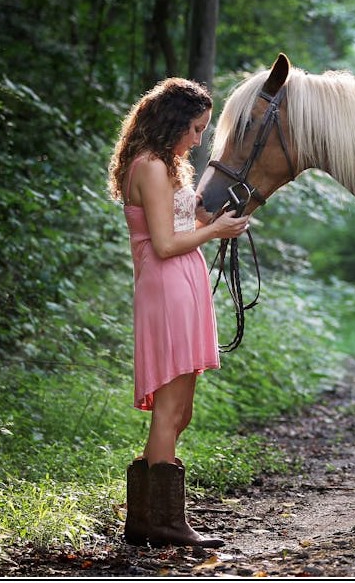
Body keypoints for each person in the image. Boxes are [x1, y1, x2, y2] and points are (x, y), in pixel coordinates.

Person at [107, 77, 249, 548]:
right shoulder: (147, 166)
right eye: (194, 128)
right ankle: (162, 521)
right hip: (167, 285)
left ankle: (147, 516)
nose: (198, 139)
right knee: (169, 410)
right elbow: (165, 244)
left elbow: (186, 220)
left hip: (183, 284)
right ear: (172, 123)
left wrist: (222, 221)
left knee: (181, 410)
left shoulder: (171, 165)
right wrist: (214, 234)